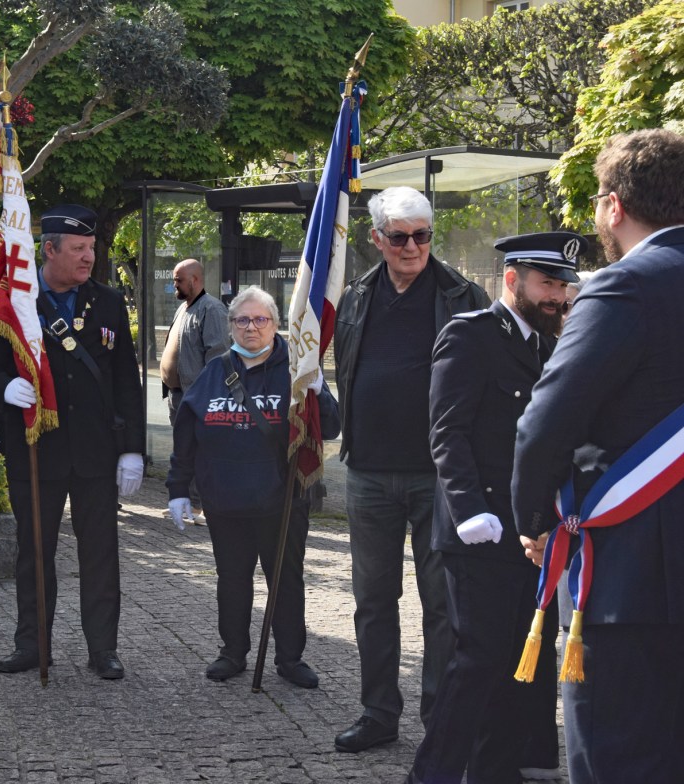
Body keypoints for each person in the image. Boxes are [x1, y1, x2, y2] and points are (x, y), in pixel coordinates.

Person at [512, 128, 684, 783]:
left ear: (614, 206)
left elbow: (546, 423)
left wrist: (535, 521)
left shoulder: (624, 287)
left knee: (621, 758)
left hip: (634, 580)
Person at [406, 231, 583, 784]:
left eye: (562, 286)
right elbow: (447, 432)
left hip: (532, 533)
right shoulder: (471, 334)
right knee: (476, 661)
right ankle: (432, 775)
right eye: (547, 284)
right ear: (512, 280)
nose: (557, 296)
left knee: (518, 664)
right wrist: (466, 510)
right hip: (479, 529)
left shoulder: (549, 347)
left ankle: (494, 772)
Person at [332, 186, 489, 752]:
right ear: (377, 239)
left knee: (442, 605)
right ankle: (378, 713)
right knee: (374, 602)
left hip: (439, 477)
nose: (412, 247)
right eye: (399, 237)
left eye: (422, 235)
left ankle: (440, 723)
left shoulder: (464, 295)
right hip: (368, 472)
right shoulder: (355, 296)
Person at [0, 204, 146, 680]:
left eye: (91, 248)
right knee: (34, 553)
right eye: (78, 249)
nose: (89, 257)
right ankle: (32, 645)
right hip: (35, 447)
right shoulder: (16, 301)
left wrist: (132, 449)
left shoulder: (107, 301)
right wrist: (5, 387)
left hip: (95, 452)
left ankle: (103, 649)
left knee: (100, 554)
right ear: (49, 250)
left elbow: (125, 381)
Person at [166, 286, 337, 686]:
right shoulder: (215, 372)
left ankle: (290, 659)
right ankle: (232, 652)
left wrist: (319, 392)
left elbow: (330, 427)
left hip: (282, 501)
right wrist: (177, 489)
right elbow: (186, 435)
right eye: (242, 320)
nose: (251, 328)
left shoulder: (298, 371)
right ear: (230, 326)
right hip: (225, 501)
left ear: (276, 325)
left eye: (261, 319)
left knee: (286, 581)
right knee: (232, 579)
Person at [159, 258, 229, 525]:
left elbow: (217, 357)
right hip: (178, 396)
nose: (174, 284)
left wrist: (207, 397)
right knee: (184, 451)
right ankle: (186, 502)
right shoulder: (183, 308)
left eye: (178, 280)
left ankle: (202, 506)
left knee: (201, 452)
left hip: (197, 398)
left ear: (195, 279)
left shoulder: (211, 309)